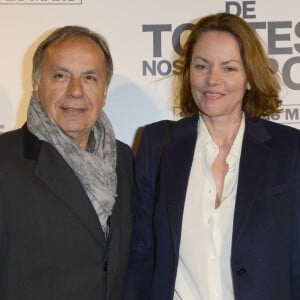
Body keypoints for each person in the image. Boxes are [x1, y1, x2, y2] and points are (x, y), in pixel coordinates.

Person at [124, 12, 300, 300]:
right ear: (188, 73)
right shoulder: (157, 144)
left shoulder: (289, 149)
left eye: (229, 68)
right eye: (201, 66)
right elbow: (142, 253)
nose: (212, 80)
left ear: (249, 78)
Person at [0, 25, 134, 300]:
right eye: (61, 76)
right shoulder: (4, 159)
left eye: (89, 78)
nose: (75, 91)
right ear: (37, 87)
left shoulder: (124, 159)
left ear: (104, 91)